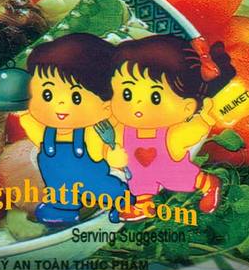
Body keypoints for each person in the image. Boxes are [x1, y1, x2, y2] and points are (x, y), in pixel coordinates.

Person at [109, 35, 233, 221]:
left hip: (169, 167)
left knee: (184, 178)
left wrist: (204, 119)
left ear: (187, 107)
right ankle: (143, 205)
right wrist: (113, 155)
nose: (137, 105)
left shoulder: (170, 134)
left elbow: (190, 132)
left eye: (155, 97)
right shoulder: (122, 128)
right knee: (140, 183)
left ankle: (208, 184)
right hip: (138, 170)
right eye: (127, 94)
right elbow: (110, 141)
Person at [17, 34, 129, 225]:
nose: (60, 104)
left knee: (105, 188)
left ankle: (123, 200)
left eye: (76, 98)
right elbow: (27, 123)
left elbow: (107, 149)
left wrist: (115, 156)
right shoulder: (39, 126)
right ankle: (61, 209)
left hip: (92, 179)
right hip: (59, 185)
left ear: (107, 106)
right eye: (47, 94)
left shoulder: (95, 130)